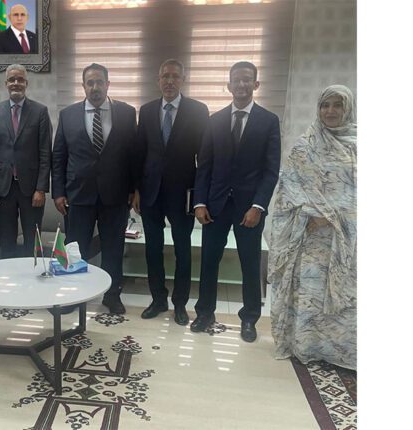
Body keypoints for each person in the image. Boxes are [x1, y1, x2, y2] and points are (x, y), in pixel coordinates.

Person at [190, 61, 281, 342]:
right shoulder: (215, 120)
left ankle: (250, 318)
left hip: (249, 209)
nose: (241, 85)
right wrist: (199, 202)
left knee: (250, 264)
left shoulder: (268, 121)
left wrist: (258, 206)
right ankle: (205, 312)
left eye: (247, 80)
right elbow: (204, 165)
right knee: (209, 262)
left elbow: (271, 170)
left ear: (255, 84)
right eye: (236, 80)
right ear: (228, 85)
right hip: (215, 206)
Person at [268, 85, 357, 370]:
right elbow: (288, 189)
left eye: (337, 105)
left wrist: (334, 216)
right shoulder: (304, 145)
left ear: (348, 108)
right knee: (310, 292)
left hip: (344, 238)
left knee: (342, 294)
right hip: (309, 235)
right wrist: (311, 215)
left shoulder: (357, 145)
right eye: (325, 105)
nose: (330, 111)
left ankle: (339, 351)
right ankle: (307, 346)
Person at [52, 63, 137, 315]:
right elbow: (59, 156)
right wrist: (58, 192)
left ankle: (112, 296)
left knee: (113, 249)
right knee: (76, 250)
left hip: (116, 195)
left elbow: (134, 154)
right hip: (78, 195)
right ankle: (73, 296)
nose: (95, 87)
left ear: (108, 84)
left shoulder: (127, 113)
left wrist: (134, 188)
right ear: (83, 86)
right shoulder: (68, 115)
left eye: (100, 82)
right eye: (90, 82)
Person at [132, 59, 209, 326]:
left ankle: (180, 304)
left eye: (175, 76)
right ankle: (158, 299)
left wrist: (200, 197)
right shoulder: (147, 110)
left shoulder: (198, 111)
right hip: (150, 193)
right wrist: (136, 190)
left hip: (183, 194)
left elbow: (204, 157)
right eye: (165, 76)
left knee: (182, 251)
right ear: (158, 80)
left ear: (183, 80)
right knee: (152, 250)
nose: (170, 81)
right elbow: (139, 153)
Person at [0, 64, 52, 258]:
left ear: (26, 83)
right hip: (3, 189)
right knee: (6, 243)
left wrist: (41, 189)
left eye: (20, 79)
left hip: (31, 190)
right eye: (12, 80)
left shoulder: (40, 111)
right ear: (6, 83)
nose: (16, 83)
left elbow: (45, 153)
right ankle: (9, 276)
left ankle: (33, 276)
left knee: (32, 242)